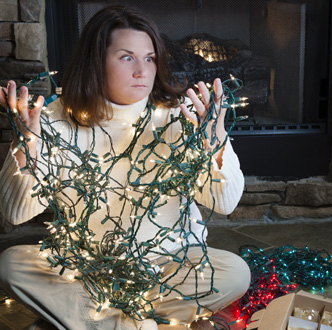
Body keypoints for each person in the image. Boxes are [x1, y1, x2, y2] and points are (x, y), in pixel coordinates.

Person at [0, 5, 250, 330]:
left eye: (149, 58)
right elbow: (15, 212)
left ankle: (90, 319)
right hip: (86, 266)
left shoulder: (183, 115)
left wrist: (213, 144)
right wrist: (27, 145)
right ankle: (140, 323)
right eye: (127, 57)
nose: (142, 71)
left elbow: (225, 202)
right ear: (96, 61)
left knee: (234, 272)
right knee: (11, 265)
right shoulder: (52, 120)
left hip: (168, 264)